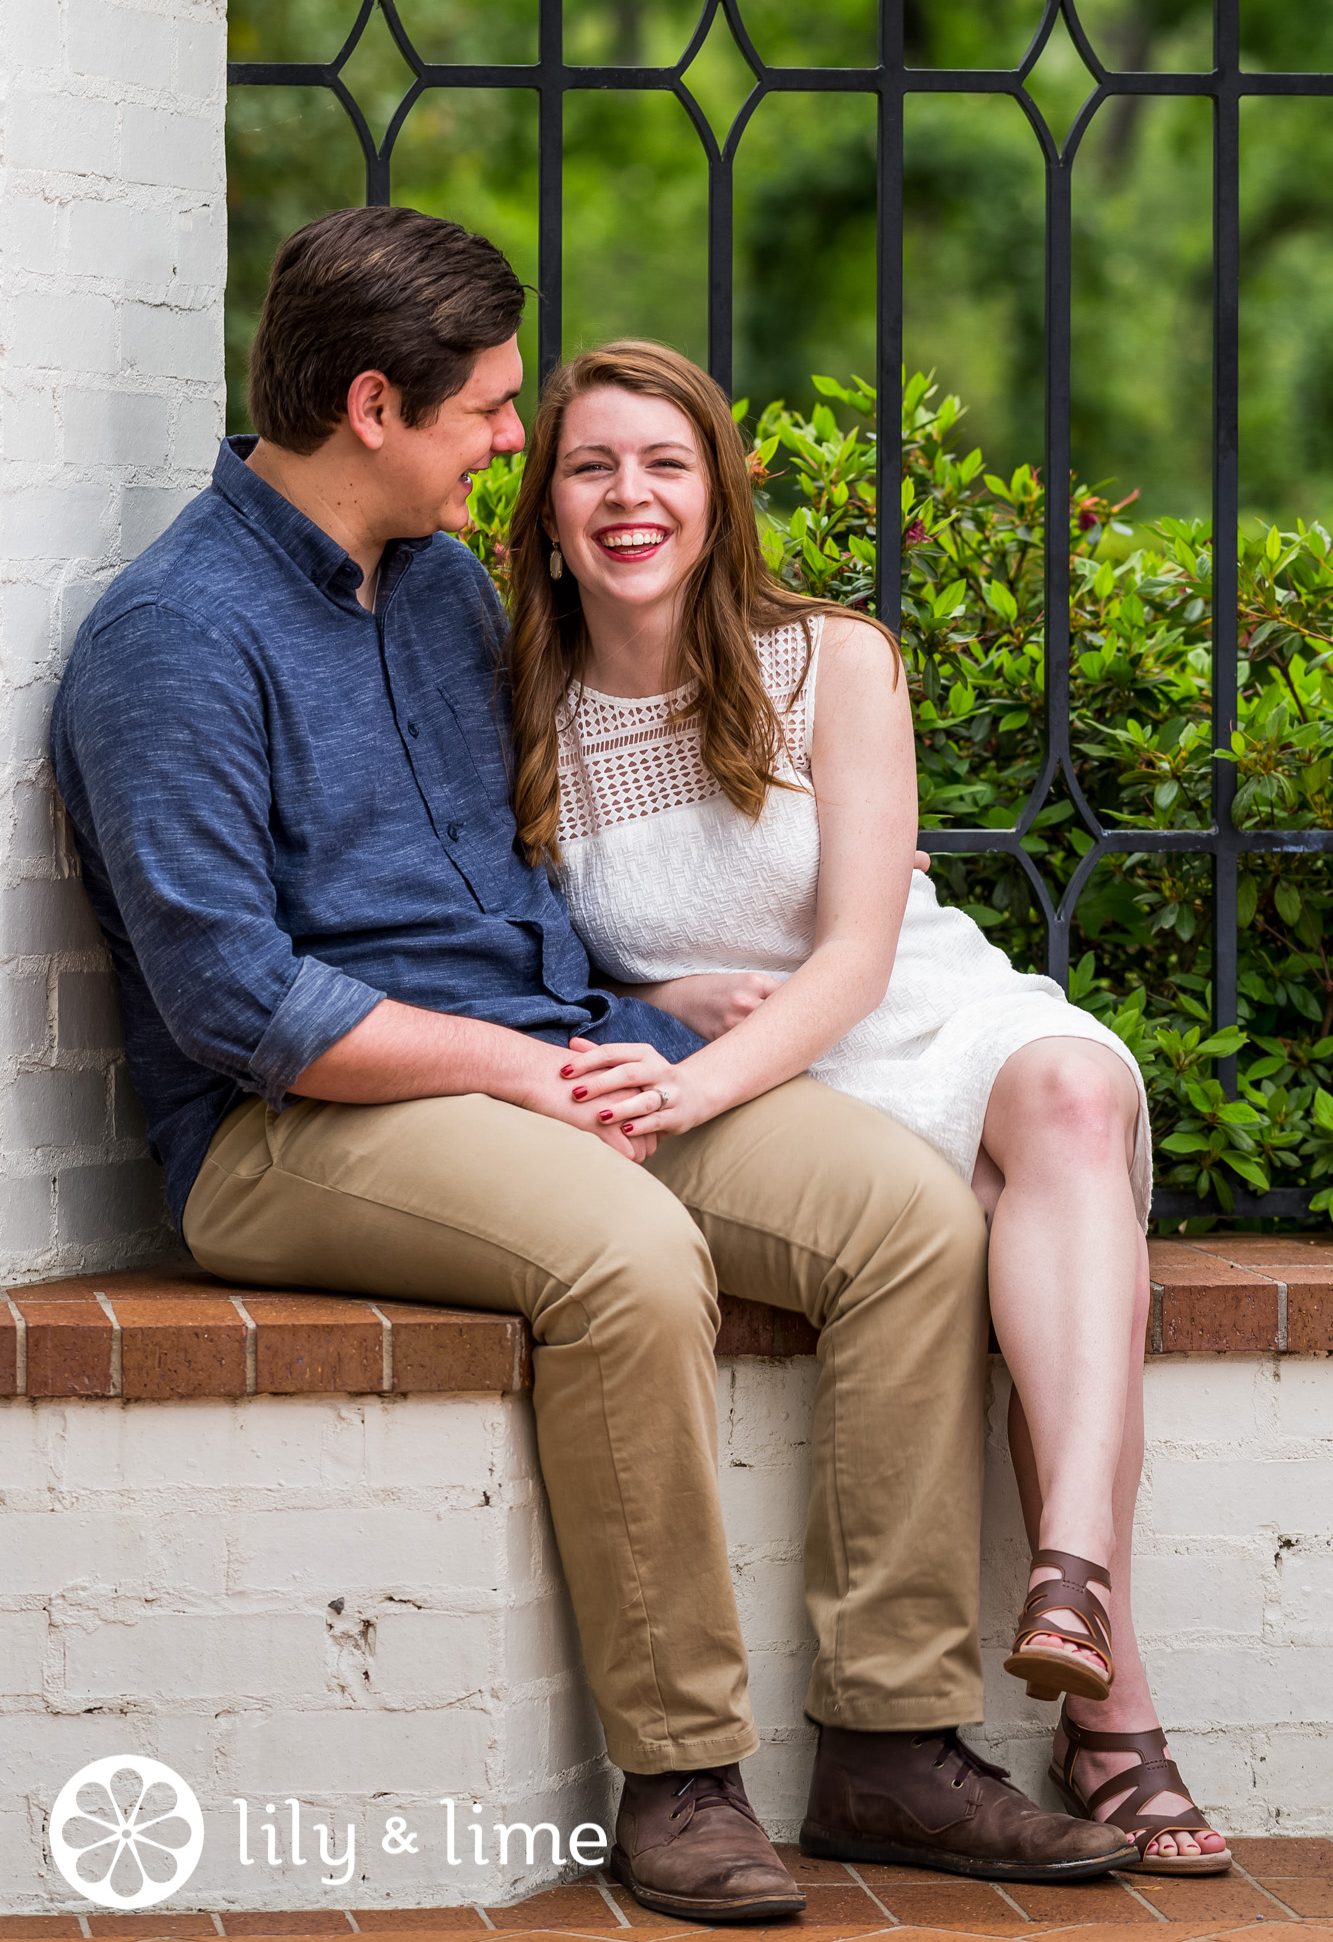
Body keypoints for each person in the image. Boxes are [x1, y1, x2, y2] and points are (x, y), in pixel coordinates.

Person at [50, 207, 1134, 1922]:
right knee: (627, 1260)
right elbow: (235, 998)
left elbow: (541, 854)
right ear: (373, 408)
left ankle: (887, 1743)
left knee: (909, 1222)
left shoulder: (437, 593)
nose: (509, 439)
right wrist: (500, 1062)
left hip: (551, 1056)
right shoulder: (172, 641)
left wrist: (643, 1008)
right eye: (487, 411)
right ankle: (683, 1775)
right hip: (298, 1123)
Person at [505, 339, 1231, 1876]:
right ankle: (1115, 1721)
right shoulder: (519, 708)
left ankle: (1074, 1579)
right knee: (988, 1235)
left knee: (1072, 1094)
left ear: (717, 494)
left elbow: (851, 953)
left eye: (664, 464)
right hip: (768, 1093)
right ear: (545, 506)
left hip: (898, 1013)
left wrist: (696, 1068)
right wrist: (661, 1014)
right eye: (590, 466)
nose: (629, 497)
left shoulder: (832, 657)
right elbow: (501, 934)